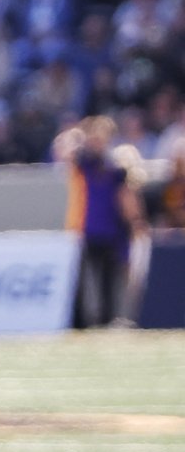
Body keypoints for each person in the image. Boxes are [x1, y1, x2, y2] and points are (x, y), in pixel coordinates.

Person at [58, 115, 149, 327]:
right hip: (89, 230)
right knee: (88, 281)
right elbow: (65, 151)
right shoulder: (85, 162)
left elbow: (125, 196)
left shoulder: (115, 168)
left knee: (111, 279)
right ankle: (88, 322)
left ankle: (110, 319)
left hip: (113, 232)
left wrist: (134, 222)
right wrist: (79, 135)